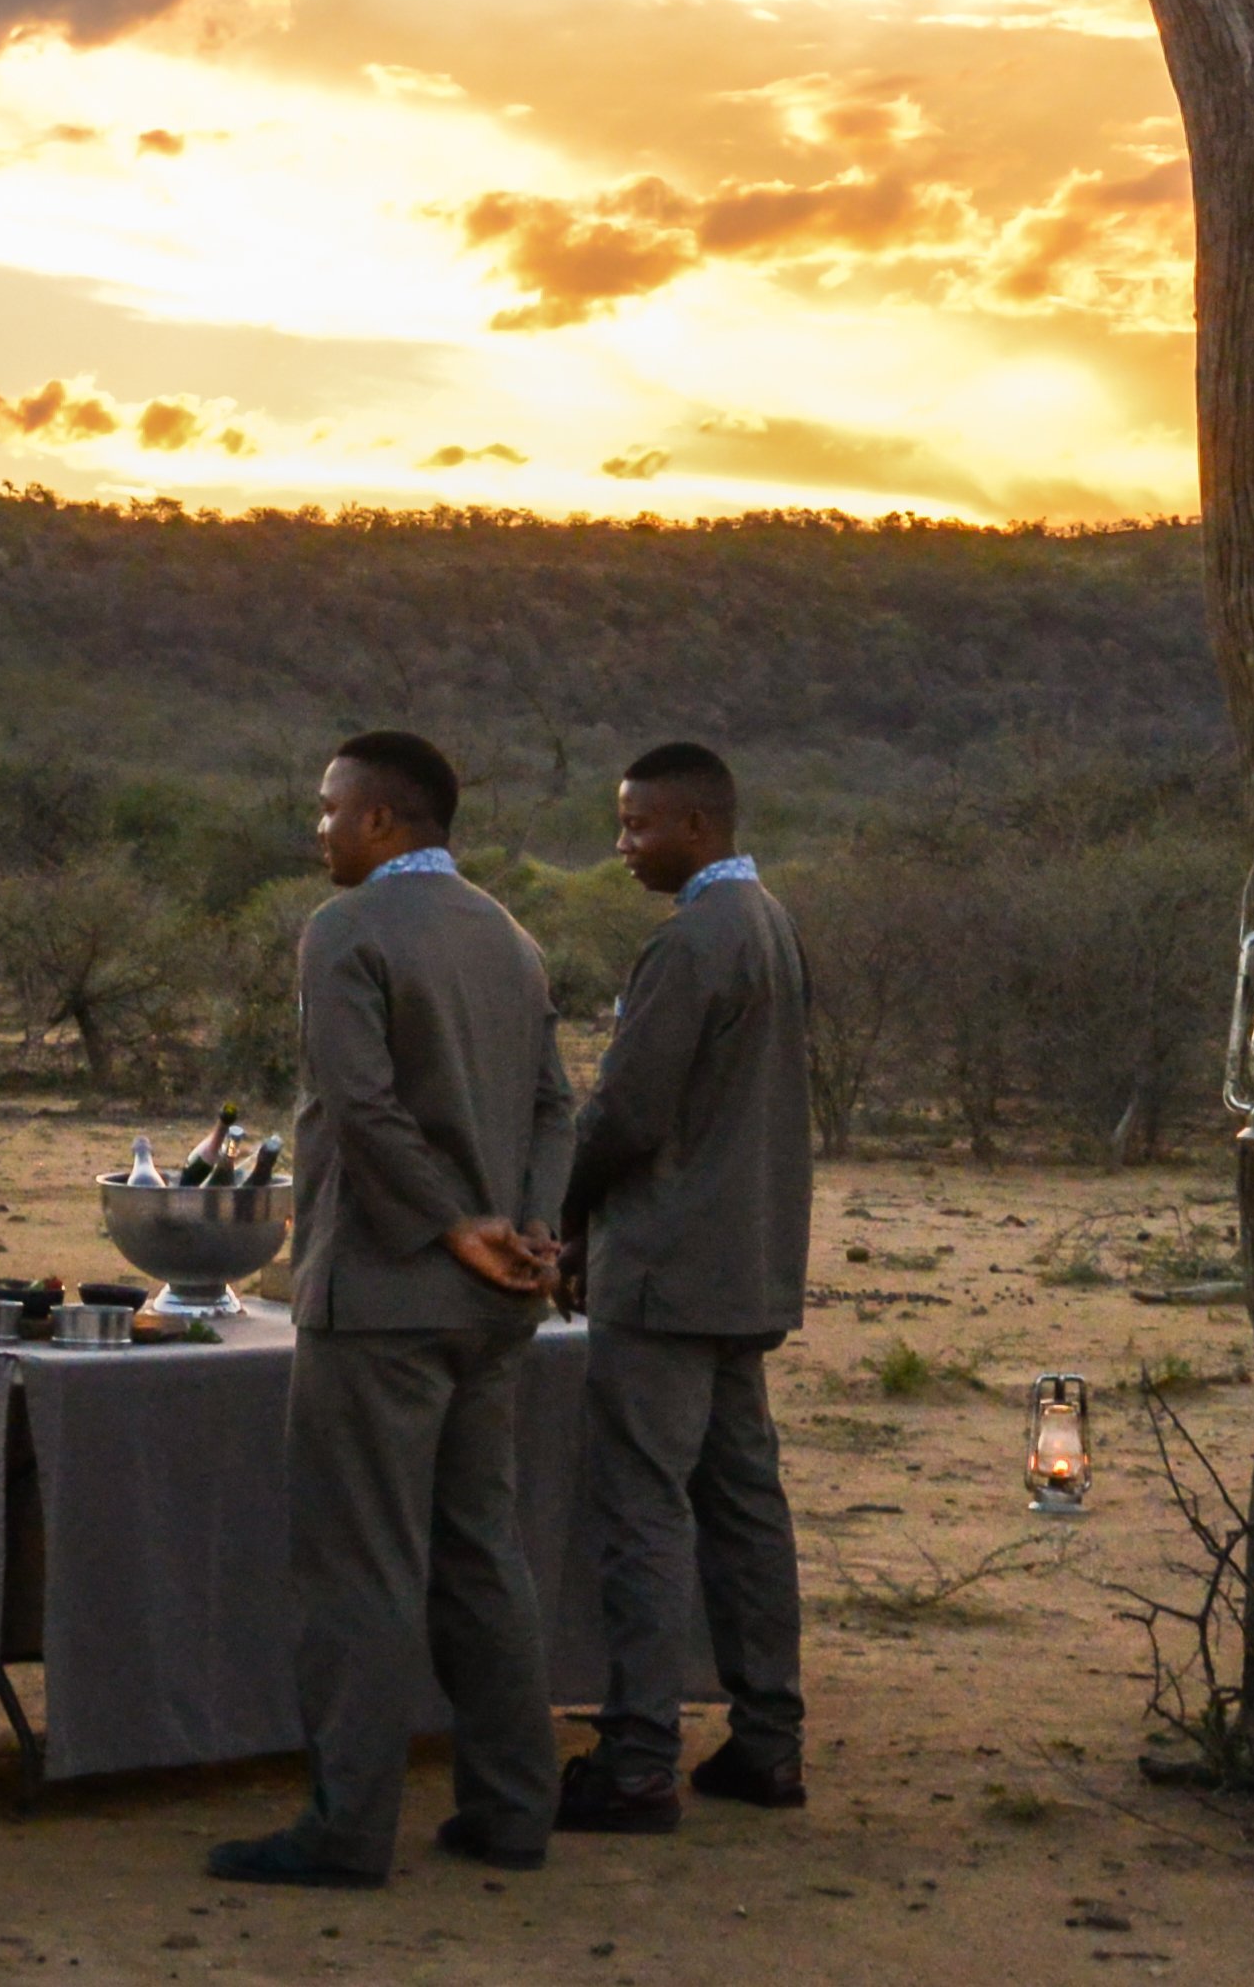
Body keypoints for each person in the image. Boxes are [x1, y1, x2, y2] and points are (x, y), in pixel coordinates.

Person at [210, 726, 570, 1890]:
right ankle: (514, 1807)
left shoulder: (344, 928)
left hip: (377, 1294)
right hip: (497, 1302)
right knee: (479, 1550)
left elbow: (359, 1109)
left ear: (379, 818)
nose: (315, 826)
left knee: (359, 1565)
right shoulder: (508, 936)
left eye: (326, 807)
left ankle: (347, 1827)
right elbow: (557, 1105)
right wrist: (529, 1227)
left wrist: (452, 1222)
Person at [555, 739, 810, 1829]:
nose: (622, 847)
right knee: (743, 1504)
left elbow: (625, 1112)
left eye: (635, 825)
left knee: (644, 1511)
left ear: (694, 826)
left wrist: (556, 1208)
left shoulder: (690, 941)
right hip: (745, 1264)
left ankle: (638, 1758)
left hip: (661, 1271)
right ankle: (767, 1740)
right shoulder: (769, 924)